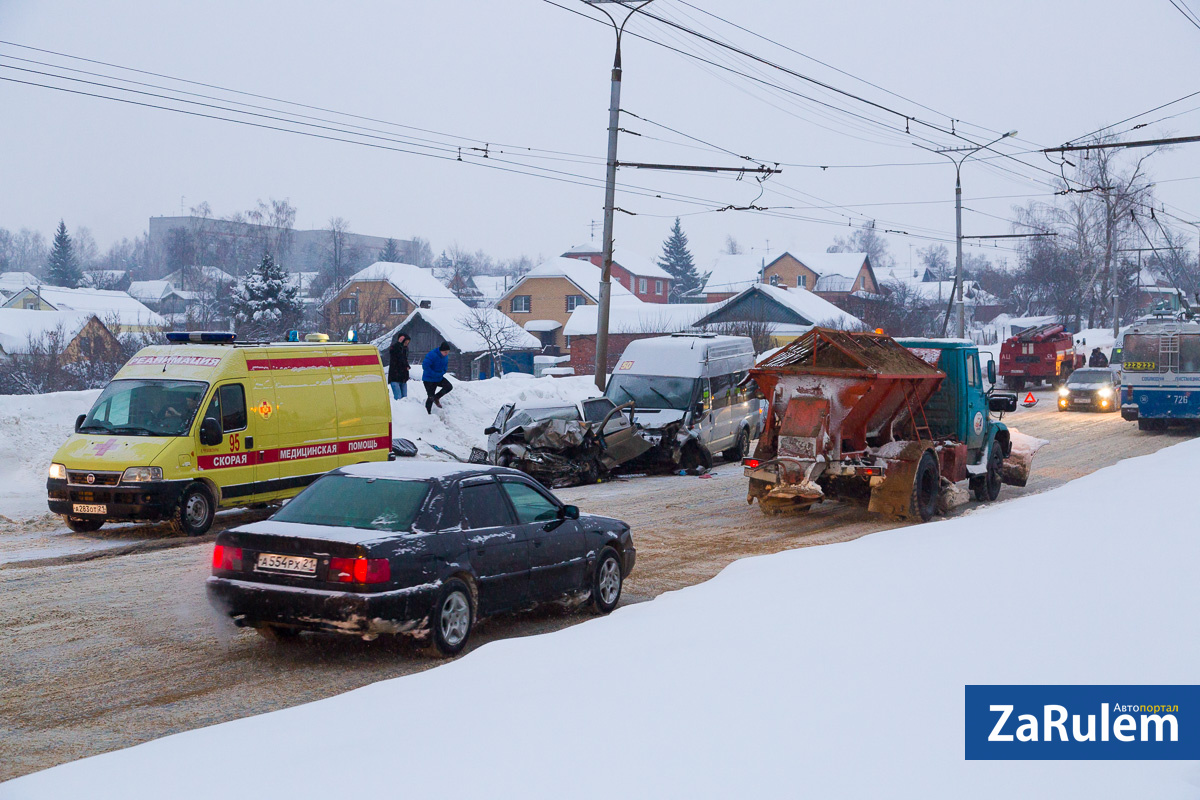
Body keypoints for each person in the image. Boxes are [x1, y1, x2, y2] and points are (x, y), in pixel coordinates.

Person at [422, 342, 453, 414]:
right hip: (429, 379)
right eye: (445, 352)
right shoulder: (432, 355)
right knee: (430, 397)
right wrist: (434, 374)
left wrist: (443, 372)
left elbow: (445, 366)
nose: (446, 354)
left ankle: (437, 397)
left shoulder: (445, 357)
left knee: (449, 387)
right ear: (440, 350)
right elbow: (425, 366)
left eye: (448, 352)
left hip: (439, 377)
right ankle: (427, 413)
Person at [387, 332, 411, 399]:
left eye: (407, 342)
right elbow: (397, 358)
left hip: (403, 378)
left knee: (405, 398)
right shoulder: (394, 348)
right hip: (395, 377)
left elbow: (404, 360)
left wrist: (407, 367)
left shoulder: (405, 350)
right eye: (405, 342)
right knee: (398, 398)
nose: (406, 344)